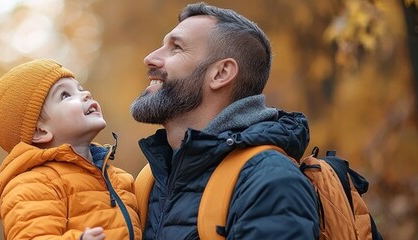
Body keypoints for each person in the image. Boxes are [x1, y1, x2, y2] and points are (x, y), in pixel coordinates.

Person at [130, 2, 319, 239]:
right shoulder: (149, 181)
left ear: (221, 74)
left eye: (176, 48)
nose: (150, 58)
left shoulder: (270, 182)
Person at [0, 59, 141, 240]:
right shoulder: (33, 185)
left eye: (80, 89)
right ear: (40, 131)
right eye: (65, 95)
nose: (86, 94)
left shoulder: (120, 179)